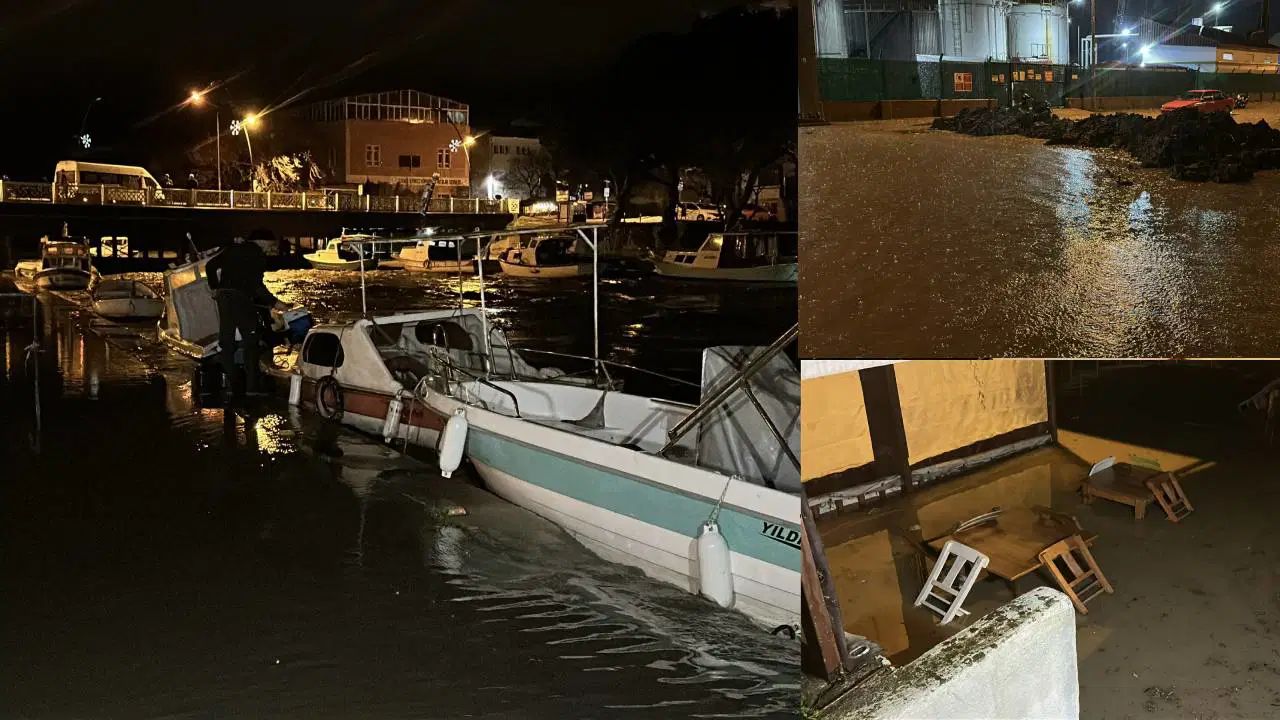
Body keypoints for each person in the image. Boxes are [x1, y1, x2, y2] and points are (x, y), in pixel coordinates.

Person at [204, 237, 286, 397]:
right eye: (271, 245)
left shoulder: (233, 249)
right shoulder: (258, 256)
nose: (271, 249)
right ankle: (251, 387)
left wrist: (214, 287)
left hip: (224, 296)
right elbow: (256, 286)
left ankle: (231, 384)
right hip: (241, 298)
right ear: (263, 242)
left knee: (226, 341)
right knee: (251, 341)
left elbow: (210, 266)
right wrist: (274, 302)